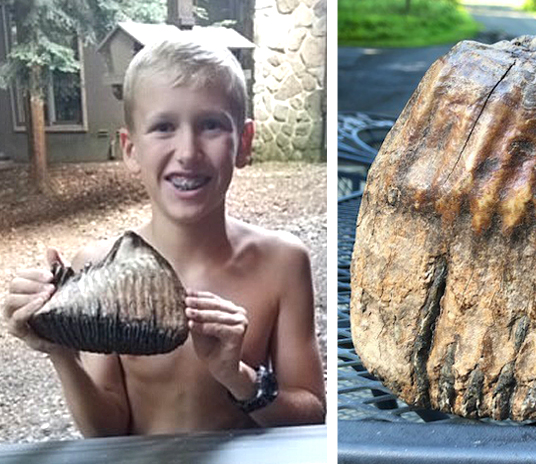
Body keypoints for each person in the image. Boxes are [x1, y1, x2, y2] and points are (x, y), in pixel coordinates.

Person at [2, 35, 325, 435]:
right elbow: (107, 431)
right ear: (131, 149)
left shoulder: (283, 263)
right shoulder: (98, 268)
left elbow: (313, 413)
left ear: (243, 143)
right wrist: (60, 352)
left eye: (210, 125)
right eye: (163, 127)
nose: (188, 151)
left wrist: (240, 378)